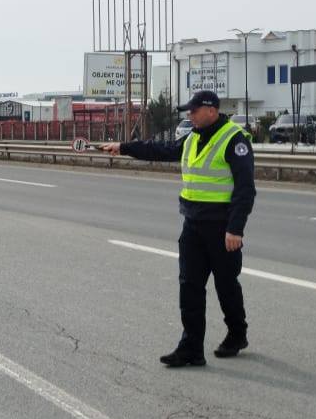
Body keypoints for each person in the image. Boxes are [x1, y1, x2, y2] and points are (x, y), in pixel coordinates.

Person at [100, 90, 255, 367]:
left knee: (226, 285)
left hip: (221, 228)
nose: (190, 115)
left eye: (194, 111)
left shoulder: (234, 139)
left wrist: (235, 228)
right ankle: (191, 348)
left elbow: (245, 189)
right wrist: (124, 147)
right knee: (189, 286)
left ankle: (237, 333)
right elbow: (161, 150)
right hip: (193, 225)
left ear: (211, 110)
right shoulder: (192, 138)